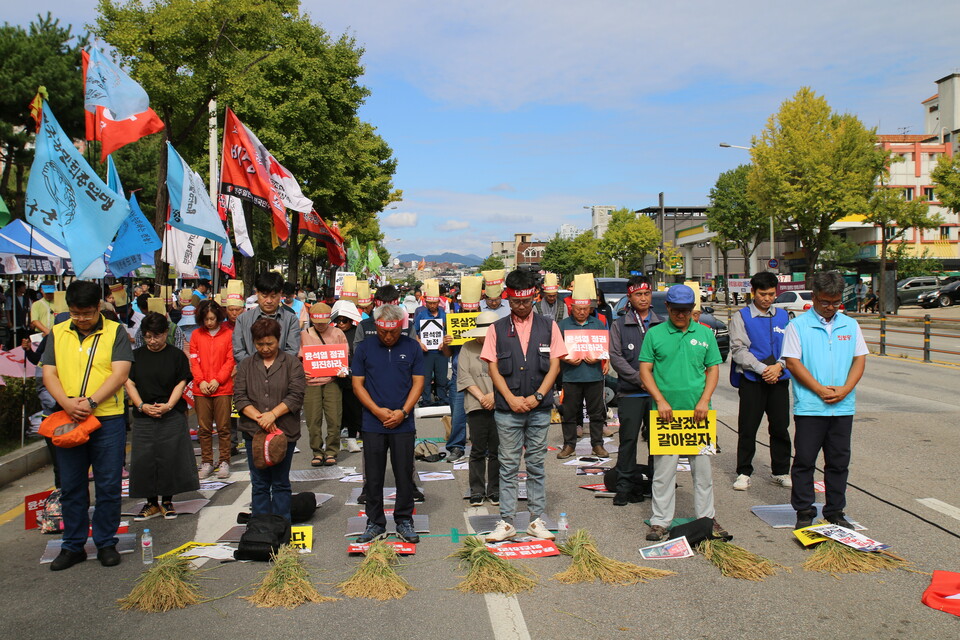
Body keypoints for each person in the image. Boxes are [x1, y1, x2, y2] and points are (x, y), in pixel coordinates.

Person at [41, 280, 134, 571]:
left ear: (99, 308)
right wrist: (68, 404)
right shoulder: (58, 332)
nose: (81, 319)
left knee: (108, 484)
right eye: (75, 313)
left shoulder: (115, 331)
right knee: (71, 485)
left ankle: (106, 542)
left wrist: (91, 402)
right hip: (69, 418)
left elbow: (120, 374)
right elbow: (49, 373)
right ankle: (73, 546)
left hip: (106, 418)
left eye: (87, 313)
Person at [481, 269, 566, 542]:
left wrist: (540, 395)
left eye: (526, 302)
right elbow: (493, 367)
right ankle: (506, 521)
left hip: (539, 409)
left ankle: (536, 519)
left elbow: (555, 363)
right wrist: (509, 398)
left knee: (536, 465)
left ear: (534, 297)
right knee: (507, 465)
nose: (521, 307)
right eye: (516, 302)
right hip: (508, 410)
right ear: (508, 298)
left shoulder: (549, 325)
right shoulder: (496, 328)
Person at [638, 284, 726, 542]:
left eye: (686, 311)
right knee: (664, 471)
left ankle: (706, 518)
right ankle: (660, 521)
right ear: (667, 308)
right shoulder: (654, 334)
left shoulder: (705, 334)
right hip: (665, 415)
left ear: (692, 310)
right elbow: (645, 371)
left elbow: (713, 370)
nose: (681, 315)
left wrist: (704, 400)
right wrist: (660, 400)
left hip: (699, 415)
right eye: (676, 310)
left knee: (703, 472)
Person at [784, 271, 868, 530]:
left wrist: (845, 389)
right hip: (811, 406)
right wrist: (819, 390)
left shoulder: (850, 325)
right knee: (805, 460)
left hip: (842, 406)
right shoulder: (798, 326)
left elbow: (859, 359)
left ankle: (835, 511)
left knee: (839, 462)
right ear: (814, 297)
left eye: (835, 302)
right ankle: (804, 511)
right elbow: (793, 362)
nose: (830, 307)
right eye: (824, 302)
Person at [351, 304, 424, 544]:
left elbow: (418, 383)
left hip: (403, 423)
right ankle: (375, 522)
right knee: (373, 475)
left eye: (393, 332)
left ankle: (404, 520)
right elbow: (357, 384)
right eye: (383, 332)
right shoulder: (364, 348)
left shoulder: (412, 347)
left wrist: (403, 412)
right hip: (373, 422)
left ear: (400, 328)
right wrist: (376, 411)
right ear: (377, 327)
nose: (389, 336)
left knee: (404, 473)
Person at [125, 312, 198, 521]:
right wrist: (141, 405)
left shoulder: (175, 355)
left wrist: (168, 406)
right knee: (144, 459)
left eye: (157, 336)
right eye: (148, 337)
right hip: (143, 414)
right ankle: (150, 502)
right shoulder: (136, 356)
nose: (153, 341)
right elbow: (129, 382)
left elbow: (181, 382)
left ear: (166, 333)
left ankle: (167, 500)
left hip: (171, 412)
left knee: (170, 456)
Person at [234, 318, 305, 520]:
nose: (265, 348)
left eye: (270, 344)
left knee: (281, 482)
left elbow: (296, 395)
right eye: (260, 344)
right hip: (254, 432)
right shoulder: (246, 365)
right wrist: (261, 418)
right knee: (259, 483)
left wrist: (273, 414)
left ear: (278, 340)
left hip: (284, 432)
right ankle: (260, 528)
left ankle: (282, 527)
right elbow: (239, 397)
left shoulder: (291, 363)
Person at [729, 271, 792, 492]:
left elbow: (792, 347)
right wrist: (763, 369)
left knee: (780, 427)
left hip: (779, 379)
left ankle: (781, 471)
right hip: (753, 380)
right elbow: (738, 350)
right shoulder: (741, 317)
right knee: (748, 428)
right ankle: (744, 472)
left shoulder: (784, 316)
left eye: (771, 294)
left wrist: (780, 366)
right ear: (753, 293)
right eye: (762, 294)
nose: (767, 298)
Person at [608, 275, 661, 505]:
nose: (643, 298)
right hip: (630, 391)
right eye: (638, 294)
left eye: (646, 294)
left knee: (657, 441)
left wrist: (651, 382)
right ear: (629, 297)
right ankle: (624, 485)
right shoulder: (619, 324)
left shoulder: (661, 325)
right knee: (627, 440)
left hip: (657, 394)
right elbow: (615, 357)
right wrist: (640, 379)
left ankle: (656, 483)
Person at [557, 297, 609, 459]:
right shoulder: (563, 325)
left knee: (596, 413)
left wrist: (601, 359)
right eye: (578, 308)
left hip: (594, 375)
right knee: (569, 413)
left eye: (585, 309)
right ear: (571, 307)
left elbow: (605, 346)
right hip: (571, 376)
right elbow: (555, 349)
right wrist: (566, 358)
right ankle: (569, 445)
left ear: (590, 308)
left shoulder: (598, 324)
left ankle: (597, 444)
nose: (581, 312)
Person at [458, 311, 500, 506]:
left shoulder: (503, 346)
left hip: (500, 402)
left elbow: (510, 374)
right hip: (476, 404)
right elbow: (464, 377)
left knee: (497, 450)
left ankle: (495, 489)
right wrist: (483, 397)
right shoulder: (468, 347)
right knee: (477, 449)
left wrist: (494, 396)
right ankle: (476, 489)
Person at [190, 299, 236, 480]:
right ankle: (207, 462)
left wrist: (218, 380)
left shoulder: (228, 334)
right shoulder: (196, 335)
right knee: (204, 428)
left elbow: (230, 360)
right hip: (201, 389)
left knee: (224, 427)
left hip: (223, 387)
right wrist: (200, 381)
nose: (209, 322)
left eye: (212, 319)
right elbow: (194, 360)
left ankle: (224, 461)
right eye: (206, 319)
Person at [301, 302, 347, 467]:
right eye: (317, 323)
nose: (320, 326)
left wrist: (343, 369)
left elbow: (345, 356)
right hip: (311, 382)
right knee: (313, 420)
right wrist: (302, 371)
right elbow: (299, 358)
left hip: (332, 381)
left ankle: (331, 451)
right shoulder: (304, 335)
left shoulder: (337, 333)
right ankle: (317, 451)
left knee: (334, 419)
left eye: (323, 323)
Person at [233, 272, 301, 362]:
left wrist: (273, 367)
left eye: (273, 296)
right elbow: (238, 351)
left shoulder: (291, 320)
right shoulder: (242, 319)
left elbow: (292, 350)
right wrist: (256, 367)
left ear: (280, 293)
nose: (269, 301)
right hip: (250, 372)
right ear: (257, 293)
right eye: (264, 296)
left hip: (280, 372)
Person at [332, 301, 364, 452]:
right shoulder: (331, 333)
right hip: (334, 377)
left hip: (352, 377)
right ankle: (334, 439)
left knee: (353, 408)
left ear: (351, 320)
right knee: (336, 410)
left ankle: (352, 438)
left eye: (344, 320)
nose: (341, 323)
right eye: (338, 321)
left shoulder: (358, 332)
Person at [413, 283, 449, 407]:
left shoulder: (444, 315)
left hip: (441, 352)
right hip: (426, 352)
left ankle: (443, 398)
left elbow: (449, 333)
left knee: (442, 378)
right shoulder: (421, 315)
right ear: (426, 303)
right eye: (429, 303)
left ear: (438, 302)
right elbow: (415, 332)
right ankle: (426, 400)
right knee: (426, 378)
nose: (432, 306)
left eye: (434, 303)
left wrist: (444, 343)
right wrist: (419, 343)